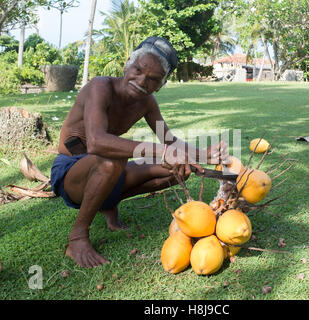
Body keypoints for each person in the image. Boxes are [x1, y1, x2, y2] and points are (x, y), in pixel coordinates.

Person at [51, 36, 229, 268]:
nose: (141, 80)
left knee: (178, 172)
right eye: (138, 70)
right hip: (70, 173)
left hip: (107, 170)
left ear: (160, 85)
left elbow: (169, 140)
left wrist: (203, 155)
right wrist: (162, 152)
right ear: (127, 65)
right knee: (112, 159)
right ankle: (77, 237)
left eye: (153, 79)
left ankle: (107, 203)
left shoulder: (147, 102)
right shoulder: (100, 87)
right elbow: (96, 142)